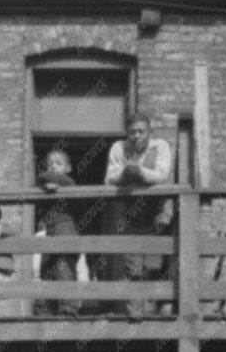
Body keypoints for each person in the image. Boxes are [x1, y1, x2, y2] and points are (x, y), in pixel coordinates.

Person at [96, 112, 173, 305]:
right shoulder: (118, 148)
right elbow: (109, 178)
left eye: (141, 131)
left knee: (154, 264)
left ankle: (151, 311)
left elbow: (162, 175)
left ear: (150, 132)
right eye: (132, 132)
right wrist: (125, 172)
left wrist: (140, 172)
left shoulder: (160, 146)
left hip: (156, 213)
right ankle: (135, 314)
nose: (136, 135)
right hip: (129, 215)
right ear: (126, 133)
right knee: (133, 266)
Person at [34, 145, 82, 313]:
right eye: (49, 163)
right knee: (47, 268)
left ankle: (68, 310)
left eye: (58, 163)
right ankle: (47, 311)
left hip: (65, 229)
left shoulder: (69, 183)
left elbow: (43, 176)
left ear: (68, 168)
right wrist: (45, 187)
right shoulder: (51, 187)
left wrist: (45, 182)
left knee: (64, 269)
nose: (53, 166)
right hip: (50, 231)